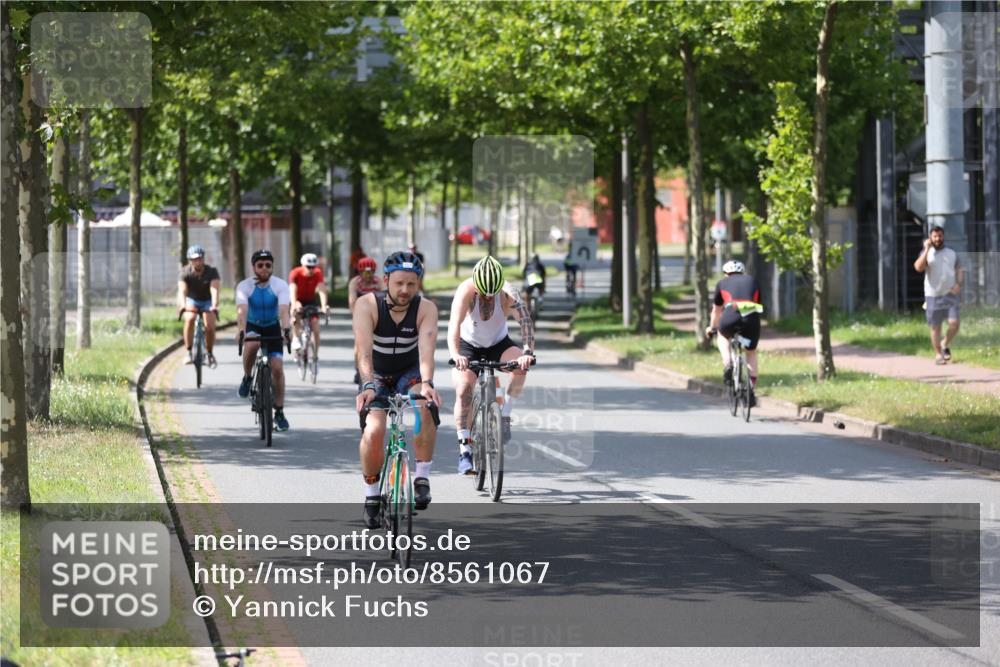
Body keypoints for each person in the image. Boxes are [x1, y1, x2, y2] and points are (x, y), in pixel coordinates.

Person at [354, 251, 442, 527]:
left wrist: (426, 382)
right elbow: (364, 351)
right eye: (399, 283)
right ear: (386, 280)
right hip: (376, 374)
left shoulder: (425, 308)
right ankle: (371, 495)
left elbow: (427, 350)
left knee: (424, 408)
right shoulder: (367, 305)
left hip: (410, 372)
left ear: (419, 284)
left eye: (412, 285)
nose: (405, 290)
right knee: (375, 430)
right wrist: (368, 384)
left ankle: (422, 477)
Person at [448, 255, 536, 474]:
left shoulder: (509, 293)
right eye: (483, 293)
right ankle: (465, 451)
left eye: (492, 294)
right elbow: (453, 325)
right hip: (469, 345)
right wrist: (456, 354)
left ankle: (505, 414)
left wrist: (527, 352)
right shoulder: (465, 290)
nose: (488, 298)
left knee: (520, 366)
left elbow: (525, 323)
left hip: (498, 343)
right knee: (463, 390)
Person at [236, 249, 292, 432]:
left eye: (268, 265)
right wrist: (241, 330)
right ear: (254, 267)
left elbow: (284, 310)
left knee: (277, 368)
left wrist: (286, 329)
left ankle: (280, 412)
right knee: (251, 344)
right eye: (260, 265)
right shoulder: (244, 286)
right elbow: (242, 312)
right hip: (253, 325)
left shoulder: (280, 285)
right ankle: (247, 377)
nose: (264, 269)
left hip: (272, 327)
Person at [705, 260, 763, 407]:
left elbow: (716, 311)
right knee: (750, 352)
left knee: (722, 335)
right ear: (742, 272)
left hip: (731, 314)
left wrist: (712, 328)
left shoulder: (722, 283)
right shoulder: (753, 281)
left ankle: (728, 362)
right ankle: (750, 389)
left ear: (726, 274)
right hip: (751, 316)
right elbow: (758, 302)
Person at [914, 224, 963, 364]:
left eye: (940, 235)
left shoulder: (951, 253)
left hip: (950, 294)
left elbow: (959, 269)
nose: (937, 238)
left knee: (954, 324)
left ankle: (944, 344)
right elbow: (918, 267)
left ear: (943, 236)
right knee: (936, 327)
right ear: (930, 237)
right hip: (933, 295)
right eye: (934, 236)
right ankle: (938, 355)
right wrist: (926, 249)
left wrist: (958, 284)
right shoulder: (927, 253)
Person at [177, 245, 221, 367]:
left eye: (200, 259)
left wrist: (214, 305)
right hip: (192, 300)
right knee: (190, 319)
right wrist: (183, 305)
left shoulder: (212, 271)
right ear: (190, 260)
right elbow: (182, 291)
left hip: (207, 301)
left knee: (210, 326)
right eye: (194, 259)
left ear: (203, 259)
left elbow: (214, 290)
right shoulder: (184, 272)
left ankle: (209, 353)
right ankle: (189, 352)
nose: (198, 262)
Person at [288, 252, 330, 358]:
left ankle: (315, 355)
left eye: (313, 267)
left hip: (310, 300)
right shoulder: (295, 273)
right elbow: (292, 289)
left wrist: (324, 305)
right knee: (297, 310)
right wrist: (294, 304)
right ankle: (296, 338)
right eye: (308, 267)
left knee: (316, 326)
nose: (311, 270)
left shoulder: (317, 273)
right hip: (297, 299)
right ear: (303, 265)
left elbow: (321, 289)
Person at [349, 256, 382, 385]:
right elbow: (352, 301)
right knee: (359, 343)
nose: (368, 276)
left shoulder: (378, 282)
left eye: (370, 272)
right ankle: (358, 369)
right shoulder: (355, 282)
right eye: (365, 273)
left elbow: (386, 296)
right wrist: (357, 318)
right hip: (360, 312)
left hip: (376, 312)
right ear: (360, 272)